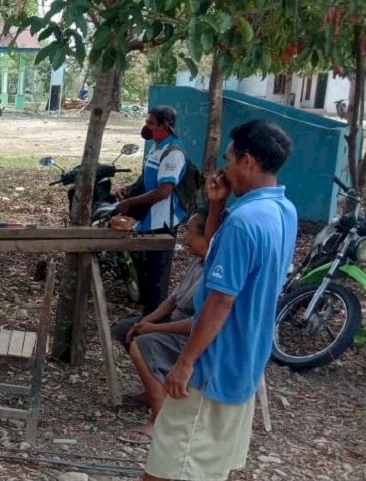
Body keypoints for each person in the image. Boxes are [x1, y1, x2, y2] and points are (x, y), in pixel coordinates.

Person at [143, 120, 297, 481]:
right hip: (244, 362)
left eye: (228, 160)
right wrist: (217, 207)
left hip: (210, 369)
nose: (224, 169)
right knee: (205, 469)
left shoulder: (244, 221)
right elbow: (217, 256)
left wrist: (185, 362)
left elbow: (221, 301)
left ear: (248, 161)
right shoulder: (282, 211)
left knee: (166, 470)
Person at [111, 211, 208, 444]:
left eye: (190, 234)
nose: (185, 240)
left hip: (192, 336)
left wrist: (152, 330)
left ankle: (159, 419)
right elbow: (172, 301)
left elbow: (198, 325)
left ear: (208, 237)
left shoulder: (215, 272)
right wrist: (145, 322)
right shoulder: (197, 262)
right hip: (174, 322)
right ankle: (154, 385)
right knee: (125, 329)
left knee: (141, 344)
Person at [115, 105, 187, 315]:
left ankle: (153, 318)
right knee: (146, 268)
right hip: (149, 219)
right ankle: (146, 313)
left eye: (151, 123)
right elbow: (148, 178)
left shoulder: (173, 153)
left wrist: (130, 203)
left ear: (165, 126)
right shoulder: (157, 147)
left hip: (162, 221)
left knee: (157, 273)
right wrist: (130, 190)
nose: (146, 127)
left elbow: (164, 190)